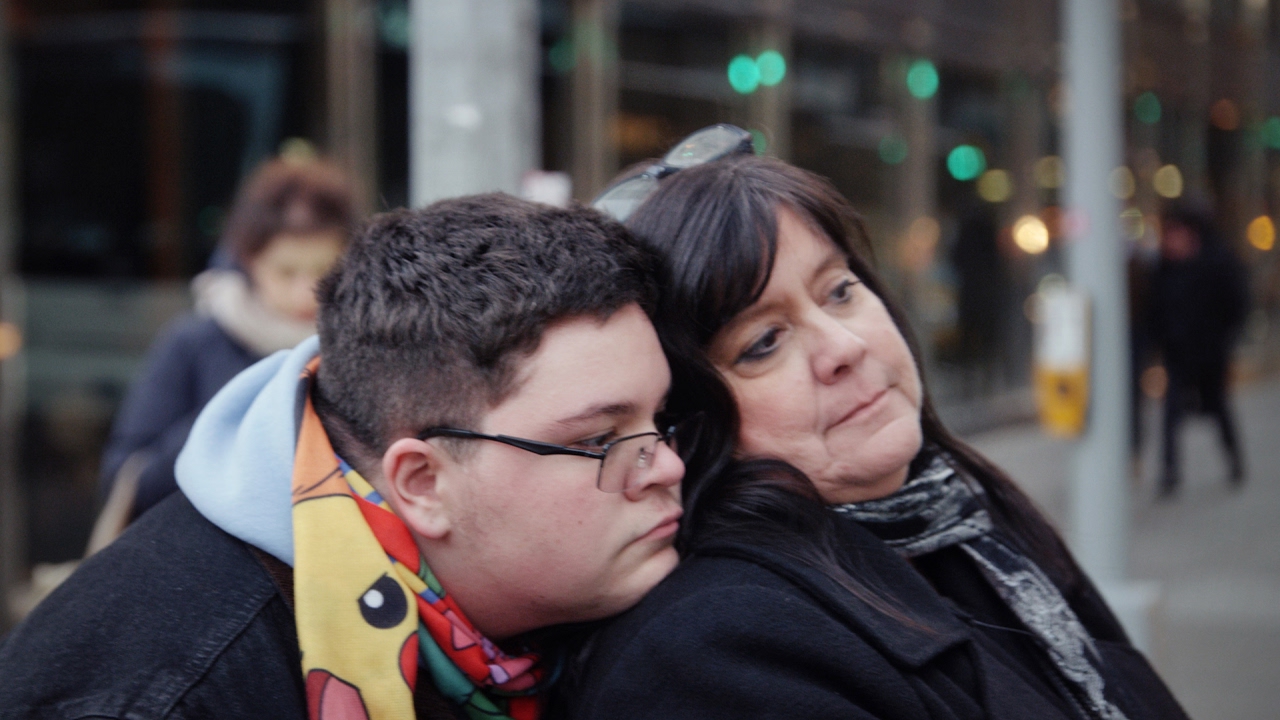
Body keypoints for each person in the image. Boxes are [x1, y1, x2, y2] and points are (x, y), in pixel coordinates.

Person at [0, 195, 684, 720]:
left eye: (662, 418)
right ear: (421, 483)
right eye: (599, 441)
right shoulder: (164, 689)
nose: (668, 466)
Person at [569, 143, 1188, 719]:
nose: (844, 346)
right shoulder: (714, 654)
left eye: (839, 291)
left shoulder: (960, 515)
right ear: (686, 417)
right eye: (762, 343)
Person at [100, 155, 356, 520]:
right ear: (249, 261)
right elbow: (124, 481)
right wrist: (223, 417)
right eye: (286, 272)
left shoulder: (366, 347)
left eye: (323, 270)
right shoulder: (195, 341)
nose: (306, 292)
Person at [1150, 203, 1249, 496]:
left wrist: (1222, 337)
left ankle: (1234, 460)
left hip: (1209, 352)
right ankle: (1170, 473)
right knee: (1170, 415)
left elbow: (1234, 304)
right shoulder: (1166, 267)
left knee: (1218, 408)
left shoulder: (1216, 262)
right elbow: (1156, 308)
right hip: (1177, 354)